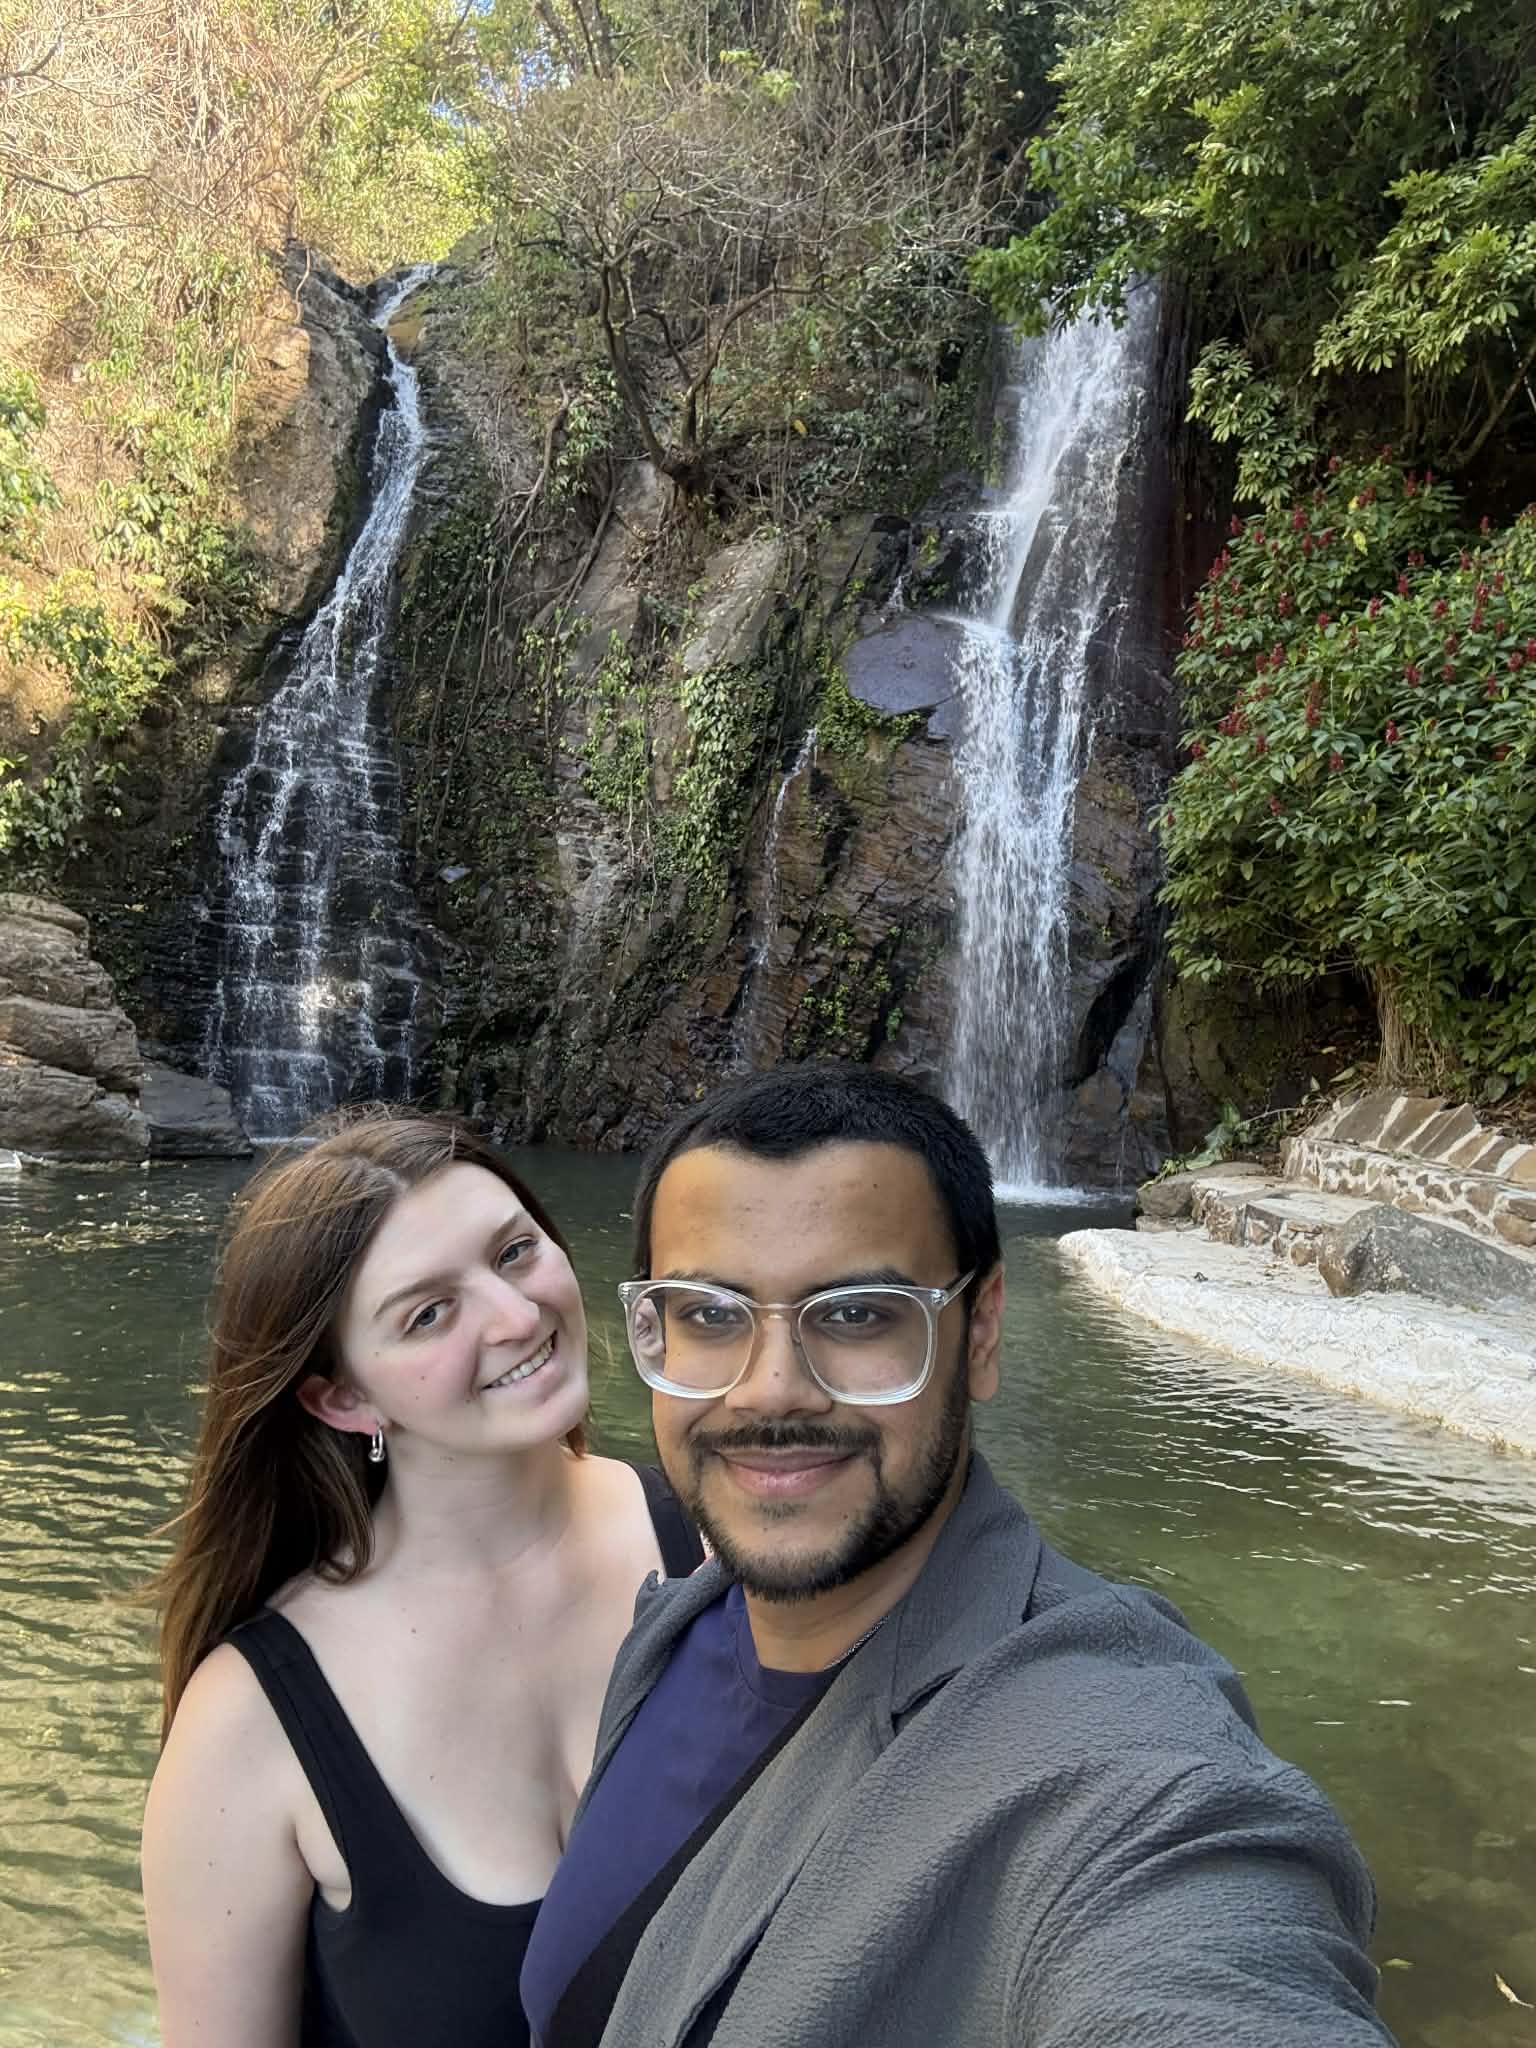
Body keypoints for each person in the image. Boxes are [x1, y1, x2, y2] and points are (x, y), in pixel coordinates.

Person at [521, 1062, 1398, 2048]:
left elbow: (1203, 1943)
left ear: (980, 1332)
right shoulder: (672, 1629)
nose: (770, 1391)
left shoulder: (1116, 1758)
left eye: (858, 1312)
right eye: (710, 1314)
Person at [140, 1109, 702, 2048]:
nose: (517, 1317)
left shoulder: (724, 1547)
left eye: (515, 1252)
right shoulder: (246, 1729)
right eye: (429, 1313)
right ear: (342, 1397)